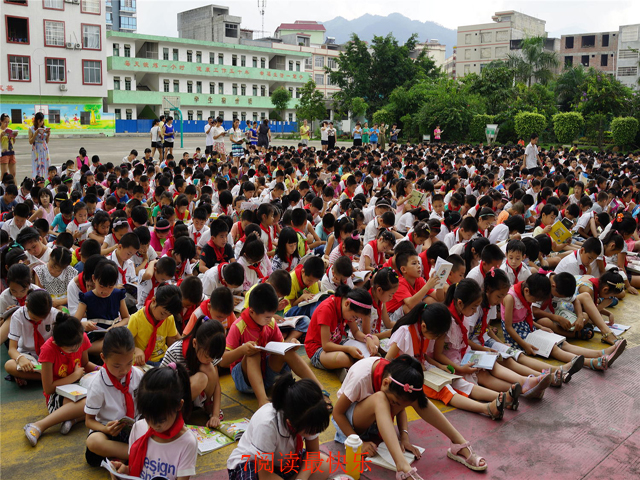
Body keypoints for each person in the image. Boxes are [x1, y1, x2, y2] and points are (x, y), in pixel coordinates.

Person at [227, 374, 332, 480]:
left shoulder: (311, 415)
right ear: (290, 423)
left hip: (282, 461)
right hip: (253, 464)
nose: (314, 433)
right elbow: (265, 475)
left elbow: (313, 452)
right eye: (311, 431)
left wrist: (301, 478)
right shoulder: (267, 424)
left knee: (324, 465)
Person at [109, 363, 197, 480]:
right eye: (147, 417)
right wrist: (123, 471)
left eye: (161, 420)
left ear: (179, 405)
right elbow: (136, 468)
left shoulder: (186, 442)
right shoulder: (138, 428)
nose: (154, 425)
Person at [23, 312, 96, 446]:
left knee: (104, 396)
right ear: (56, 343)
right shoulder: (48, 349)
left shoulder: (81, 337)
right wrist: (74, 376)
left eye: (78, 346)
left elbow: (85, 364)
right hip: (58, 394)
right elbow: (48, 388)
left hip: (80, 387)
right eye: (71, 350)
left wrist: (101, 370)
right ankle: (39, 425)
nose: (76, 350)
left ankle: (72, 420)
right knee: (88, 402)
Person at [85, 327, 143, 467]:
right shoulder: (98, 384)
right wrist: (105, 429)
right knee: (93, 442)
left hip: (136, 429)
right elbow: (89, 421)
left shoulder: (138, 375)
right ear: (103, 358)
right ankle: (138, 454)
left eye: (129, 363)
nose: (124, 370)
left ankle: (121, 459)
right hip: (111, 432)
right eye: (117, 366)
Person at [160, 316, 226, 428]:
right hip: (173, 396)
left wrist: (215, 415)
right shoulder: (175, 351)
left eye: (213, 358)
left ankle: (207, 404)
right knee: (201, 378)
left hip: (193, 398)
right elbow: (160, 383)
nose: (210, 360)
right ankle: (175, 416)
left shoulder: (210, 352)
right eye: (207, 356)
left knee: (209, 368)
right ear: (195, 343)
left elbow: (216, 385)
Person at [28, 112, 50, 178]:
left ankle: (45, 178)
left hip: (44, 148)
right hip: (36, 148)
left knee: (45, 164)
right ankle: (37, 178)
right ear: (37, 120)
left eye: (42, 120)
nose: (41, 122)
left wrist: (48, 135)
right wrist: (35, 134)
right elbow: (30, 142)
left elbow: (47, 141)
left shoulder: (45, 128)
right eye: (40, 121)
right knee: (36, 164)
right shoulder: (31, 129)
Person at [1, 113, 17, 178]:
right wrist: (1, 136)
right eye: (5, 122)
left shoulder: (9, 130)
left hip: (11, 152)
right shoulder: (0, 131)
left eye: (8, 122)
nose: (7, 124)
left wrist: (14, 136)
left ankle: (13, 184)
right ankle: (1, 184)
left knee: (13, 173)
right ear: (1, 121)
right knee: (4, 174)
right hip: (4, 153)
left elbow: (13, 142)